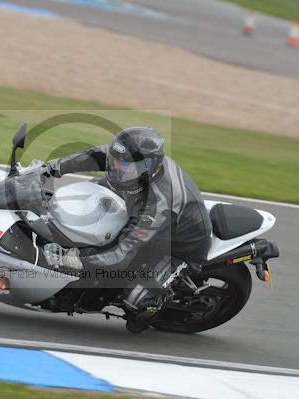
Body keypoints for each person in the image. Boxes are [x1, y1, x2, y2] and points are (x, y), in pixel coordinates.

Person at [45, 127, 212, 333]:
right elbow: (91, 155)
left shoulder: (159, 202)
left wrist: (74, 258)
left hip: (178, 247)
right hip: (143, 209)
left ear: (150, 167)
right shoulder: (128, 158)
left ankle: (151, 309)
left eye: (126, 167)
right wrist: (50, 168)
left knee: (137, 299)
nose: (118, 170)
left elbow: (119, 255)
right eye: (116, 163)